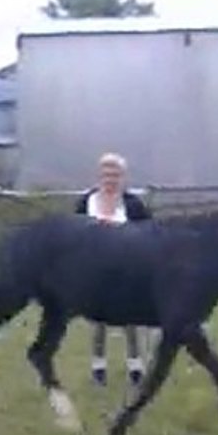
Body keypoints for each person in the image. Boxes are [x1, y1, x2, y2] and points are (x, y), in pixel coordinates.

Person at [74, 152, 152, 387]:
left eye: (115, 174)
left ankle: (135, 366)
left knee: (130, 318)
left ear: (122, 177)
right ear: (100, 175)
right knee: (98, 319)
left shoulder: (133, 204)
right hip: (93, 269)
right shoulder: (86, 201)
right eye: (106, 174)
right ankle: (98, 367)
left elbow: (148, 233)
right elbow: (72, 234)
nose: (110, 179)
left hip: (127, 268)